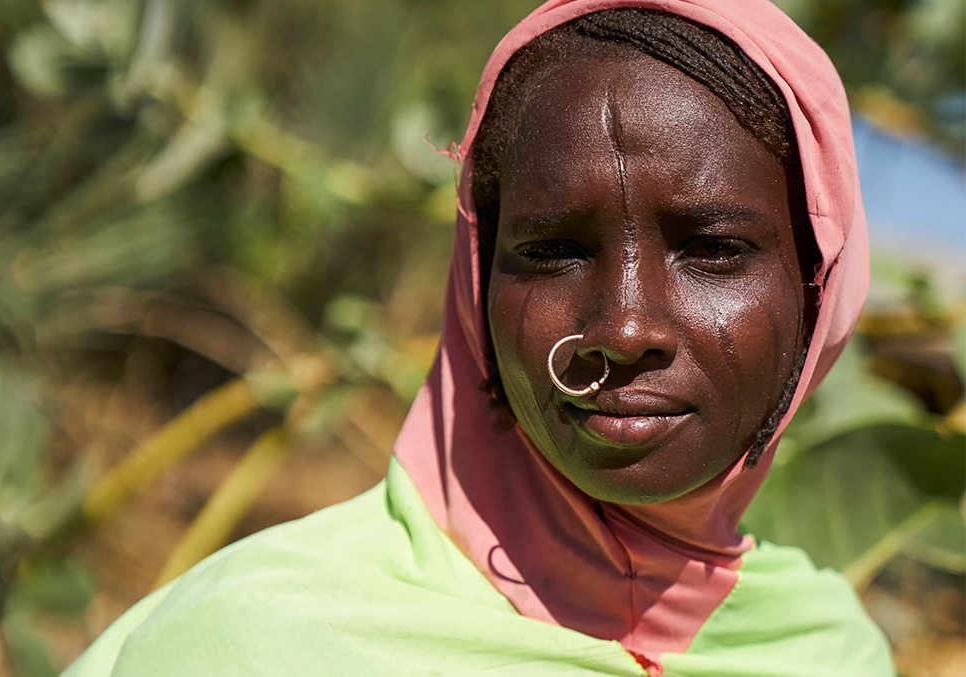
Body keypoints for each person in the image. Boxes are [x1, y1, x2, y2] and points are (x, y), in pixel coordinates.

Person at [62, 1, 894, 675]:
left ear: (819, 285)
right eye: (553, 250)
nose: (626, 327)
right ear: (475, 282)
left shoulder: (828, 650)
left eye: (712, 249)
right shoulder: (257, 641)